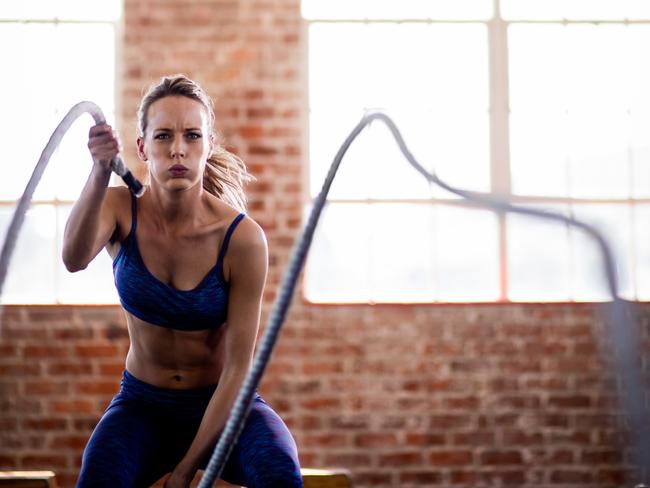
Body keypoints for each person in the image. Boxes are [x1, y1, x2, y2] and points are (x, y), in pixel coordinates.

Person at [63, 74, 303, 488]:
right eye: (163, 136)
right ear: (141, 147)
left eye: (192, 136)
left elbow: (240, 369)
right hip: (142, 406)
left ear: (208, 144)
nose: (178, 149)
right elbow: (73, 257)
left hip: (224, 405)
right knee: (98, 477)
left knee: (280, 472)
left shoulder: (242, 239)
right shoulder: (119, 209)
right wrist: (101, 171)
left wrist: (187, 468)